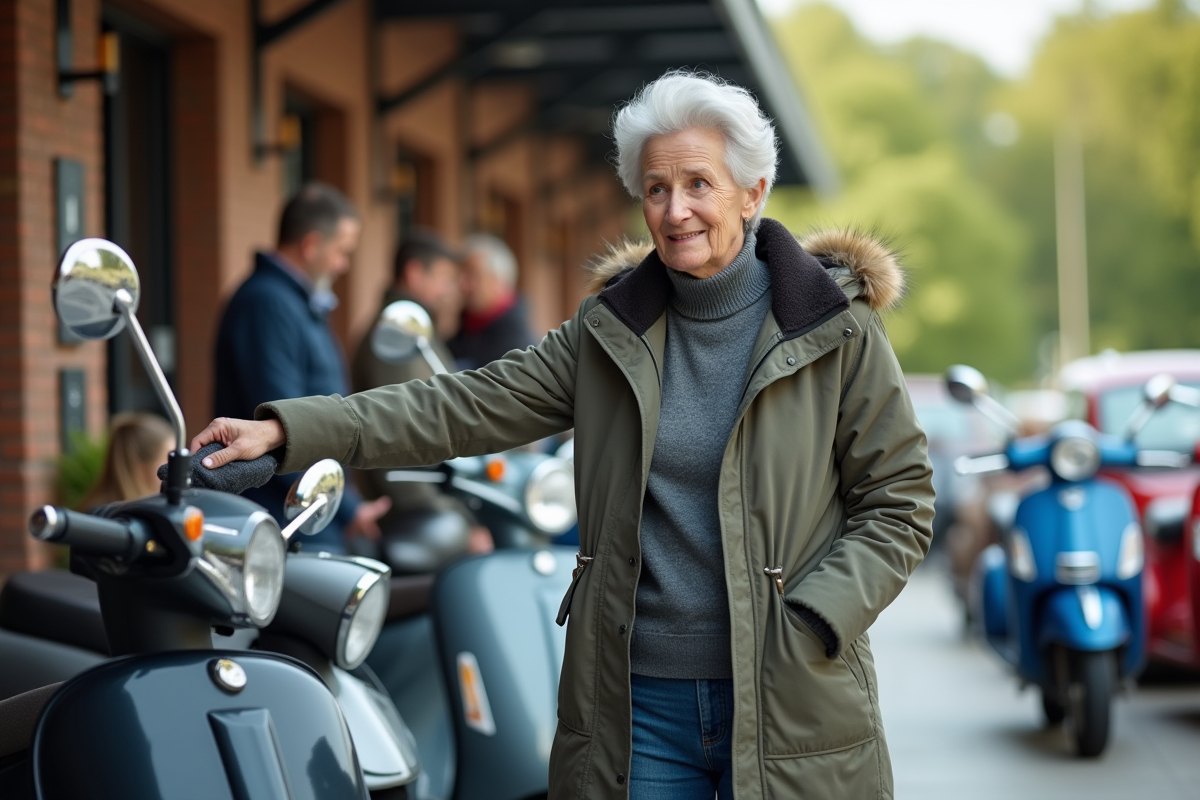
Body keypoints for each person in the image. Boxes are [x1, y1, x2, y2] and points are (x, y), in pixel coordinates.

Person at [193, 70, 934, 800]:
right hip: (639, 708)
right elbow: (461, 405)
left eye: (699, 184)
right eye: (655, 188)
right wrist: (287, 431)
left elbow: (899, 501)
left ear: (753, 192)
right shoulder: (612, 332)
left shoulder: (835, 330)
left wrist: (816, 614)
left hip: (790, 690)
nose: (676, 211)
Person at [212, 181, 389, 552]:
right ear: (311, 245)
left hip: (306, 511)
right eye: (341, 252)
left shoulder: (292, 302)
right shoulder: (268, 305)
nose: (343, 265)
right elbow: (284, 419)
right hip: (284, 520)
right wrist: (347, 509)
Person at [351, 228, 493, 558]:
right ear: (415, 273)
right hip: (415, 521)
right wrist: (461, 523)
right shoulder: (394, 338)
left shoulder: (415, 331)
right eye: (443, 279)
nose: (449, 291)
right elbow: (401, 445)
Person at [446, 233, 537, 369]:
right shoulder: (459, 336)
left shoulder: (520, 351)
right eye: (461, 275)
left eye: (473, 275)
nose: (463, 284)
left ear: (499, 281)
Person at [81, 413, 174, 508]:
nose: (175, 466)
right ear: (141, 466)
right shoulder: (137, 513)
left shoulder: (96, 508)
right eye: (169, 458)